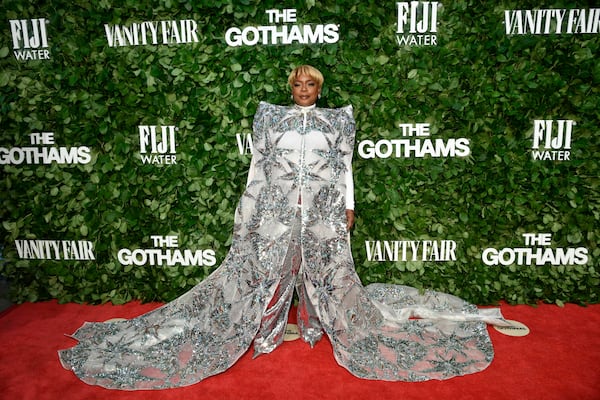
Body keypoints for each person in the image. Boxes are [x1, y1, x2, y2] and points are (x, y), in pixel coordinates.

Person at [59, 65, 507, 390]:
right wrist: (248, 206)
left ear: (319, 88)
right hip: (275, 210)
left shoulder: (337, 122)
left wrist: (348, 205)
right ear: (290, 86)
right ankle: (269, 329)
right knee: (268, 268)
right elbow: (259, 165)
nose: (305, 89)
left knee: (325, 270)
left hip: (322, 210)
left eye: (312, 84)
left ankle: (314, 326)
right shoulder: (270, 118)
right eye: (298, 83)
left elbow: (343, 166)